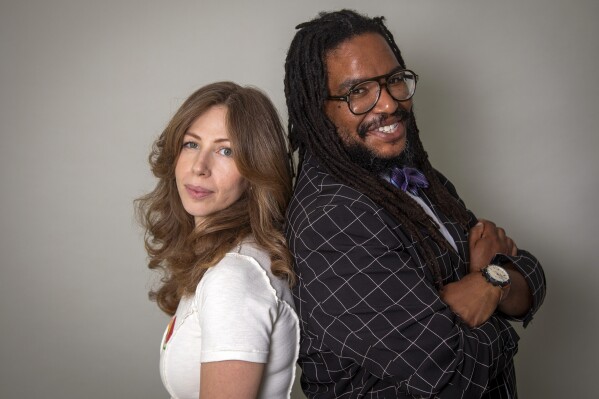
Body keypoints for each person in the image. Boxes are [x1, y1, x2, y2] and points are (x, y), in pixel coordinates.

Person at [284, 10, 546, 399]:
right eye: (358, 92)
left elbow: (532, 278)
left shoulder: (419, 178)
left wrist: (487, 282)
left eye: (393, 81)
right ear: (317, 110)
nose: (388, 104)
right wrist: (492, 279)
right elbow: (455, 374)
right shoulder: (332, 219)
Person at [136, 81, 299, 399]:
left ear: (256, 170)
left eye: (226, 151)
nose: (200, 167)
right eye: (191, 144)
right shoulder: (223, 261)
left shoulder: (234, 277)